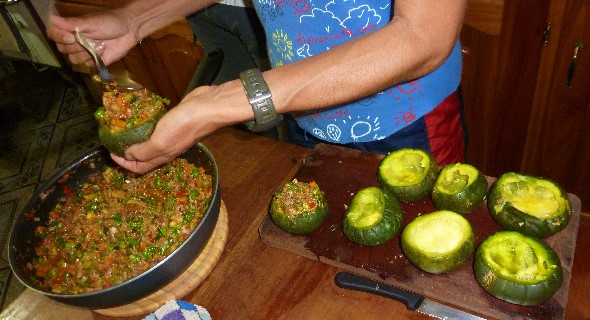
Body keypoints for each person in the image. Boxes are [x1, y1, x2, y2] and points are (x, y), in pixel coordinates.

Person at [48, 0, 467, 174]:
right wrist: (137, 19)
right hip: (301, 110)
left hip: (406, 120)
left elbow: (421, 38)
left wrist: (220, 103)